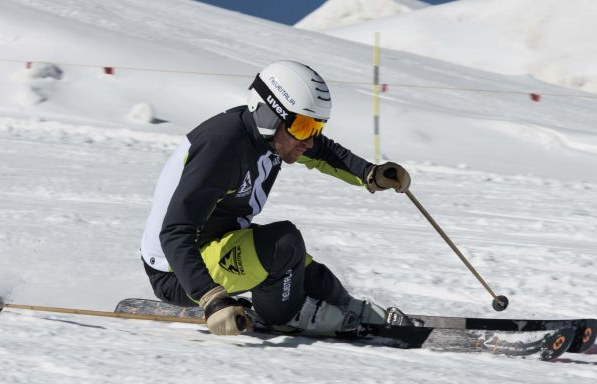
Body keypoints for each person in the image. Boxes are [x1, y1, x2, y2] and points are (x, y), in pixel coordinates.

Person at [139, 60, 410, 336]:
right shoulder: (222, 148)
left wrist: (370, 173)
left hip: (215, 244)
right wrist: (211, 298)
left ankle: (346, 307)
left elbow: (323, 152)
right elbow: (174, 232)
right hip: (177, 273)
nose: (310, 141)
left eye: (317, 128)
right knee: (284, 244)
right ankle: (288, 315)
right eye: (304, 127)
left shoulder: (271, 137)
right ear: (269, 114)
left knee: (308, 271)